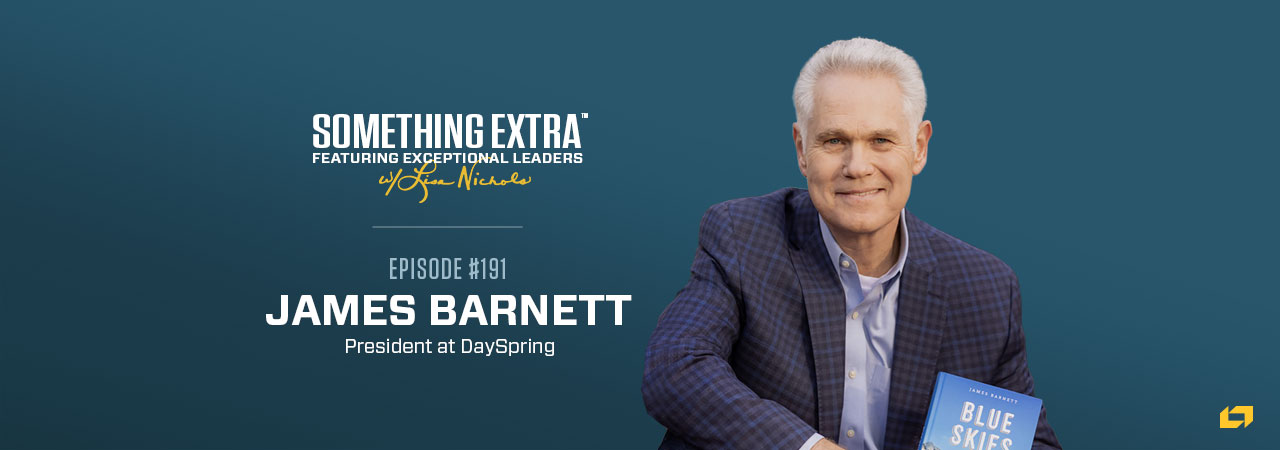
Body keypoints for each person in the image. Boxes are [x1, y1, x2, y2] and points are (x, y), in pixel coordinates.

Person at [641, 38, 1062, 450]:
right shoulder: (743, 234)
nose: (857, 167)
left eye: (881, 140)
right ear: (802, 149)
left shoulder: (985, 289)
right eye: (834, 141)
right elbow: (676, 369)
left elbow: (1030, 442)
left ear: (918, 148)